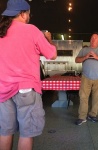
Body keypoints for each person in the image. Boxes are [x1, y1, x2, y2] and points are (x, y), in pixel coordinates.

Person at [0, 0, 57, 150]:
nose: (29, 17)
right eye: (29, 14)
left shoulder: (1, 31)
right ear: (23, 14)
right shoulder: (31, 30)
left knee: (5, 132)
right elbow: (52, 54)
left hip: (3, 91)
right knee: (26, 133)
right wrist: (48, 39)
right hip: (26, 90)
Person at [75, 33, 98, 125]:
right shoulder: (84, 50)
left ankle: (92, 115)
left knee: (97, 98)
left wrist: (97, 57)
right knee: (83, 97)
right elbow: (77, 60)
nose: (93, 40)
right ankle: (82, 117)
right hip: (85, 77)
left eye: (95, 38)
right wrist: (86, 57)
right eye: (91, 38)